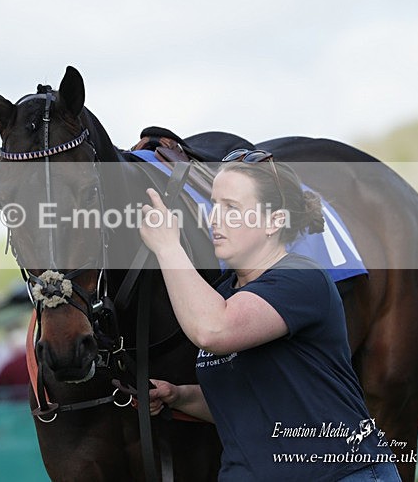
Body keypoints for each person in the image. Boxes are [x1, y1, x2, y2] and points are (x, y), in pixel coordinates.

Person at [138, 150, 400, 481]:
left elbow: (214, 331)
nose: (215, 219)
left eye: (231, 208)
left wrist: (167, 247)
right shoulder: (222, 296)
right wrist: (180, 396)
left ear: (274, 221)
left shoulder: (301, 278)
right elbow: (247, 401)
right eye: (215, 205)